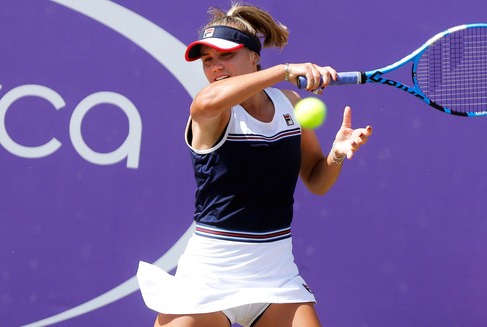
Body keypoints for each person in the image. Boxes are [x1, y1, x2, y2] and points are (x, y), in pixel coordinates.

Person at [137, 2, 373, 326]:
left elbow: (317, 181)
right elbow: (203, 102)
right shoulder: (211, 109)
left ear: (254, 56)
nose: (215, 67)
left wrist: (337, 153)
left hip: (275, 276)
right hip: (208, 276)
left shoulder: (290, 103)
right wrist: (286, 70)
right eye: (208, 60)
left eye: (226, 55)